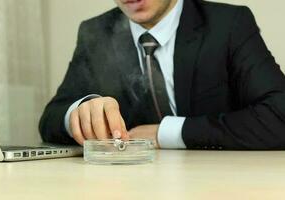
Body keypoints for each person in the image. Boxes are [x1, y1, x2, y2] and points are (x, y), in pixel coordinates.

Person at [39, 0, 285, 150]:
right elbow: (50, 119)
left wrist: (166, 133)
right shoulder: (95, 32)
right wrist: (81, 112)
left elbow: (279, 116)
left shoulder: (229, 24)